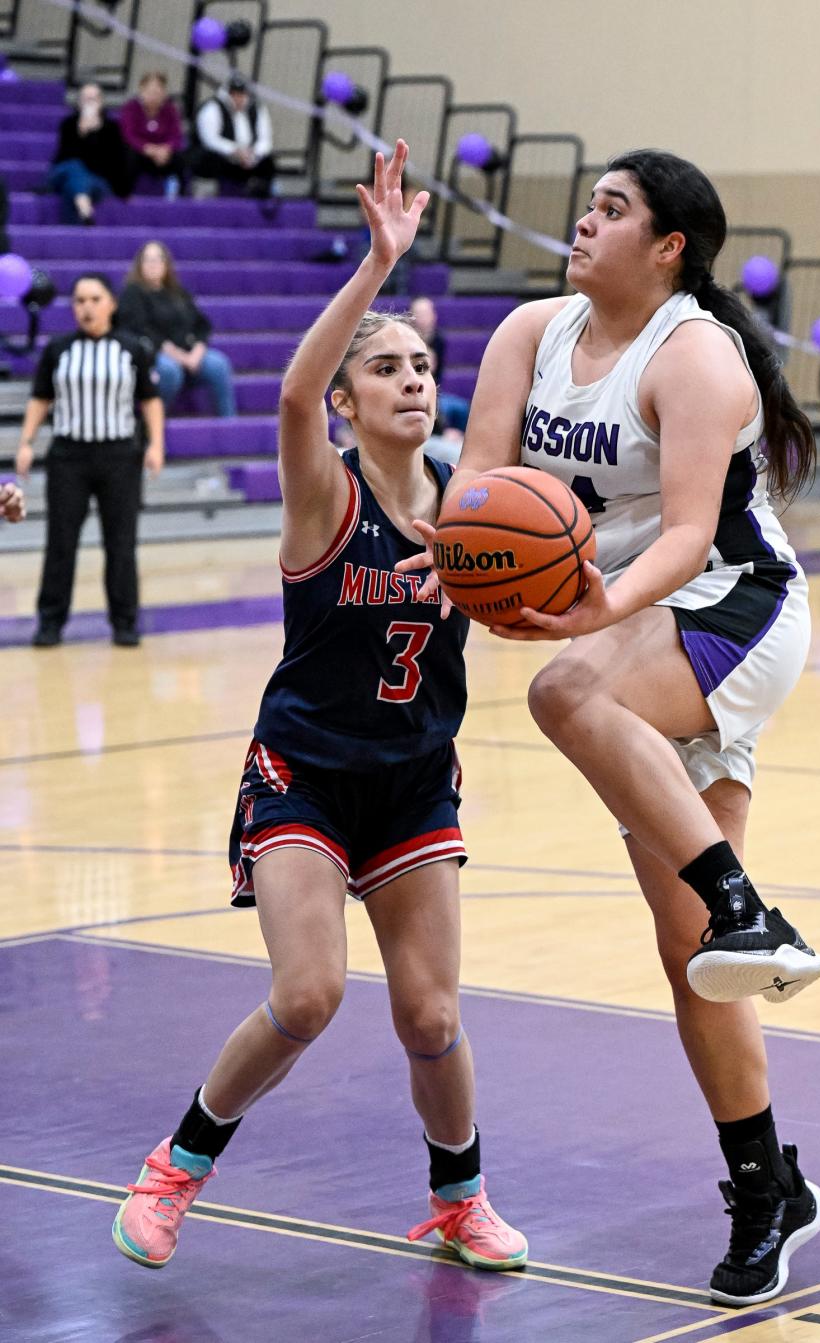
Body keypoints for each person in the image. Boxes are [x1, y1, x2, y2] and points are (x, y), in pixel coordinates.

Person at [399, 149, 820, 1307]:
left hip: (730, 601)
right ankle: (766, 1186)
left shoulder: (695, 352)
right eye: (588, 204)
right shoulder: (529, 334)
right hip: (630, 618)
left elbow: (690, 532)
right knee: (698, 954)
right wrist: (467, 566)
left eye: (613, 209)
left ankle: (752, 902)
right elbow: (479, 483)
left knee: (563, 694)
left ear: (670, 246)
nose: (584, 222)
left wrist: (596, 608)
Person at [111, 141, 527, 1276]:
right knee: (308, 991)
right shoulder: (324, 491)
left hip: (412, 773)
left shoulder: (477, 508)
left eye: (422, 365)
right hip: (302, 767)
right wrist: (379, 266)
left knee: (433, 1017)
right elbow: (293, 387)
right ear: (346, 403)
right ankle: (173, 1169)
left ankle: (459, 1198)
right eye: (386, 367)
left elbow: (536, 596)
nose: (413, 378)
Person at [16, 272, 164, 647]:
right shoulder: (59, 349)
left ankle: (125, 622)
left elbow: (149, 399)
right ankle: (50, 622)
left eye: (95, 299)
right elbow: (40, 397)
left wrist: (156, 445)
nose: (87, 307)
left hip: (119, 456)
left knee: (121, 543)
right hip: (69, 456)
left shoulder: (132, 348)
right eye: (80, 300)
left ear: (111, 304)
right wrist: (26, 442)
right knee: (60, 542)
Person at [115, 241, 237, 418]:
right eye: (147, 259)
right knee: (170, 370)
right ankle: (152, 425)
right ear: (139, 265)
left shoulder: (177, 292)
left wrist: (197, 350)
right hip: (154, 354)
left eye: (158, 259)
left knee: (219, 364)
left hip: (188, 353)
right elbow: (139, 329)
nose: (153, 264)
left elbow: (201, 324)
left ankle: (229, 424)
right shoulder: (133, 293)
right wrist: (178, 356)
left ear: (166, 264)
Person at [47, 82, 129, 225]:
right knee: (74, 165)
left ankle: (82, 206)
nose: (90, 103)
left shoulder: (112, 128)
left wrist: (94, 135)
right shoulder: (69, 124)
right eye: (86, 99)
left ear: (101, 102)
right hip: (63, 172)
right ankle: (84, 208)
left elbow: (111, 164)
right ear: (79, 102)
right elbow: (63, 158)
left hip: (96, 181)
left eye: (94, 99)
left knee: (71, 187)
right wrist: (81, 134)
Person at [191, 72, 276, 198]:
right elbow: (210, 140)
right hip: (224, 158)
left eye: (241, 94)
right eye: (234, 94)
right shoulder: (212, 108)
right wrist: (234, 151)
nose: (238, 98)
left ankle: (262, 200)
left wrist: (253, 155)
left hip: (250, 158)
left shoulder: (257, 109)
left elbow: (265, 139)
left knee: (268, 163)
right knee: (208, 159)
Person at [119, 71, 187, 199]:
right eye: (150, 92)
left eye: (158, 92)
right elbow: (128, 135)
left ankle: (180, 198)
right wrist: (148, 149)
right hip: (141, 154)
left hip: (163, 156)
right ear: (141, 90)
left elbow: (176, 136)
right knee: (128, 155)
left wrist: (166, 149)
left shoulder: (170, 110)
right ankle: (125, 196)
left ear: (164, 93)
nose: (153, 96)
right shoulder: (131, 108)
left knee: (180, 159)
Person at [410, 295, 471, 436]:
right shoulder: (407, 340)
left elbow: (436, 373)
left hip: (435, 391)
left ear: (433, 316)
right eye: (418, 314)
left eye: (426, 313)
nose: (423, 318)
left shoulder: (439, 340)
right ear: (411, 317)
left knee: (462, 408)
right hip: (417, 391)